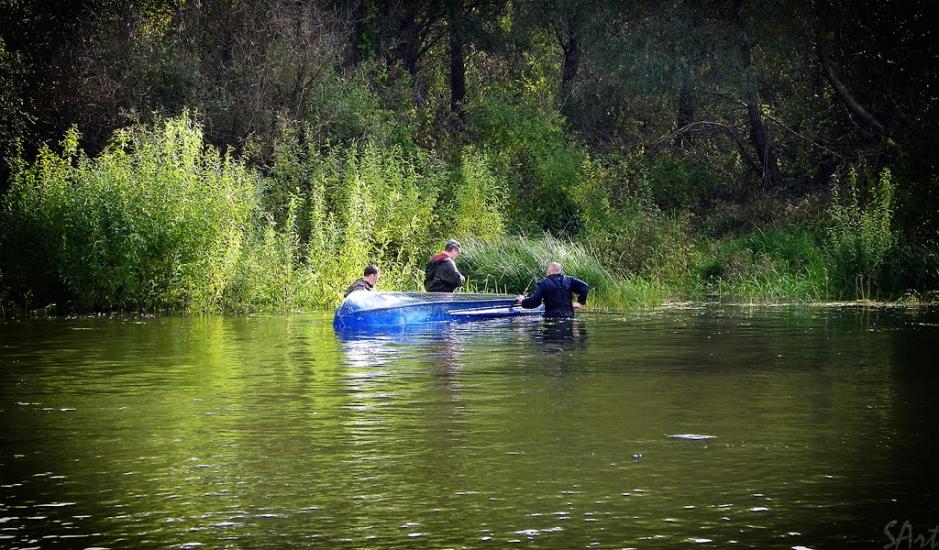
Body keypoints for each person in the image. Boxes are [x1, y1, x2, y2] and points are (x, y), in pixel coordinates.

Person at [516, 262, 589, 318]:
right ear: (560, 271)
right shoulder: (570, 280)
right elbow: (585, 287)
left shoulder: (544, 283)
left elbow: (534, 302)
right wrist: (580, 302)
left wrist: (523, 301)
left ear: (549, 271)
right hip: (569, 317)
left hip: (552, 318)